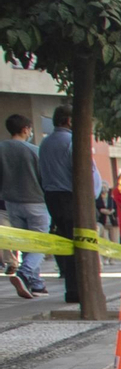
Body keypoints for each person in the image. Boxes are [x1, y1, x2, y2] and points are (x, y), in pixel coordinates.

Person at [39, 105, 100, 304]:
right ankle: (81, 290)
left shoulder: (45, 143)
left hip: (52, 197)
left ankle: (72, 288)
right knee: (80, 244)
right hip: (72, 198)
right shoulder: (73, 142)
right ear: (69, 121)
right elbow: (84, 172)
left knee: (66, 243)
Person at [0, 113, 50, 299]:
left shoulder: (1, 148)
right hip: (36, 201)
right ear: (25, 129)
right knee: (40, 242)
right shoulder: (33, 151)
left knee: (26, 244)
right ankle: (25, 273)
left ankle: (37, 284)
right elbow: (43, 177)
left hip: (11, 203)